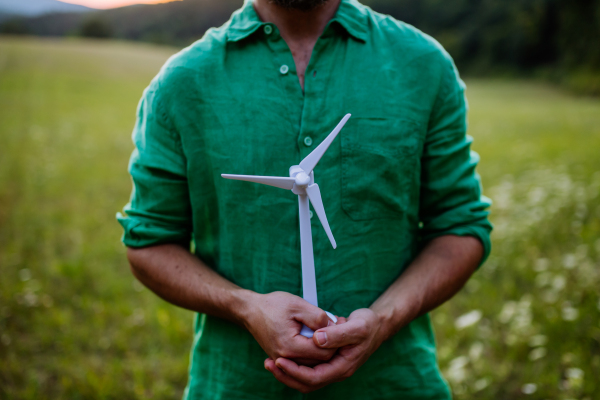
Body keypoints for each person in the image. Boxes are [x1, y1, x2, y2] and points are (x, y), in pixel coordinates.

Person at [117, 0, 493, 398]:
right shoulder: (182, 81)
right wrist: (244, 306)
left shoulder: (423, 65)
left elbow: (460, 227)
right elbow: (150, 242)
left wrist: (383, 320)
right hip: (235, 387)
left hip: (395, 385)